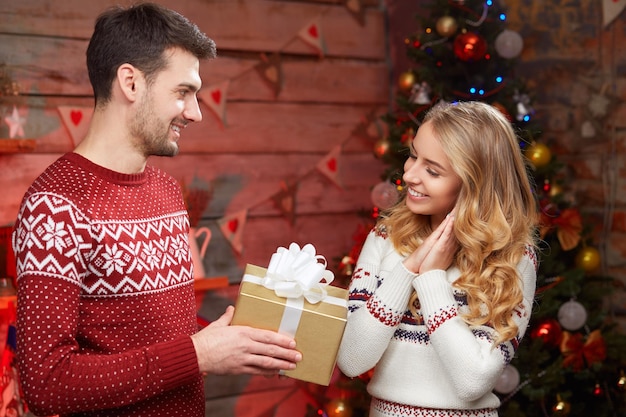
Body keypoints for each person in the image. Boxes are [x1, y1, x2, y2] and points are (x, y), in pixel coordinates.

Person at [11, 3, 301, 417]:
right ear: (130, 82)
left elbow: (152, 337)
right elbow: (47, 383)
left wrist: (228, 344)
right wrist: (198, 355)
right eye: (183, 92)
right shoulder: (55, 206)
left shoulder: (165, 190)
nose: (196, 112)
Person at [337, 101, 538, 417]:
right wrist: (408, 269)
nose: (410, 175)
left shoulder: (513, 258)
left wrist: (431, 279)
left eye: (432, 170)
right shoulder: (385, 237)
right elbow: (351, 359)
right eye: (414, 156)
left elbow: (472, 381)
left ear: (475, 185)